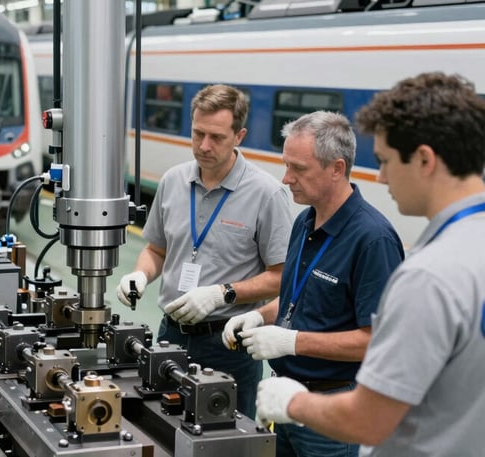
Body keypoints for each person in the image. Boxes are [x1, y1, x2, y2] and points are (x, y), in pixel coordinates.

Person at [254, 72, 485, 456]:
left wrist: (293, 403)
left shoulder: (428, 275)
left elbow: (369, 419)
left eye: (386, 161)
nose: (382, 176)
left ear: (424, 159)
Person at [223, 111, 404, 457]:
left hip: (333, 412)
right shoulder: (305, 221)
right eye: (286, 165)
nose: (286, 178)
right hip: (286, 399)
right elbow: (300, 297)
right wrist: (259, 316)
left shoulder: (372, 240)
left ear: (337, 168)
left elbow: (376, 341)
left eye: (299, 169)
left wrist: (291, 342)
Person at [116, 84, 293, 417]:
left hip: (228, 342)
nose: (204, 145)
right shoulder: (173, 181)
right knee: (162, 427)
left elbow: (282, 277)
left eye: (217, 137)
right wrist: (140, 274)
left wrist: (219, 295)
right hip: (170, 335)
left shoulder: (266, 194)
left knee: (227, 437)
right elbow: (156, 250)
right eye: (198, 134)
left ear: (239, 136)